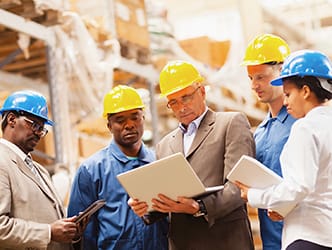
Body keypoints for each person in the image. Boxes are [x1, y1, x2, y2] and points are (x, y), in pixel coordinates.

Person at [129, 60, 255, 250]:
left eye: (186, 98)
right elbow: (167, 198)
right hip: (183, 242)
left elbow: (239, 187)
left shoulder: (230, 124)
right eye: (173, 102)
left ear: (202, 91)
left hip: (225, 241)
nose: (181, 107)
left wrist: (199, 207)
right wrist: (147, 207)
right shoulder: (165, 145)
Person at [236, 50, 332, 250]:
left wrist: (254, 195)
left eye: (288, 94)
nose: (285, 101)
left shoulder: (305, 127)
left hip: (308, 236)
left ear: (305, 91)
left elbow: (299, 186)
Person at [67, 85, 168, 250]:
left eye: (135, 117)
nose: (129, 125)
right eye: (120, 120)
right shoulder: (92, 170)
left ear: (143, 118)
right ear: (109, 126)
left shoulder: (159, 162)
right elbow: (81, 232)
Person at [0, 90, 79, 250]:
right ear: (12, 119)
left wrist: (70, 231)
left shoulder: (39, 170)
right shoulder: (2, 161)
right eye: (35, 125)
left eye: (42, 129)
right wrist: (48, 232)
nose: (39, 134)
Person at [241, 33, 297, 250]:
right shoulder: (260, 132)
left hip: (302, 235)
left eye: (261, 77)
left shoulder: (300, 124)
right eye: (251, 78)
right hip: (271, 239)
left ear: (282, 72)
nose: (254, 85)